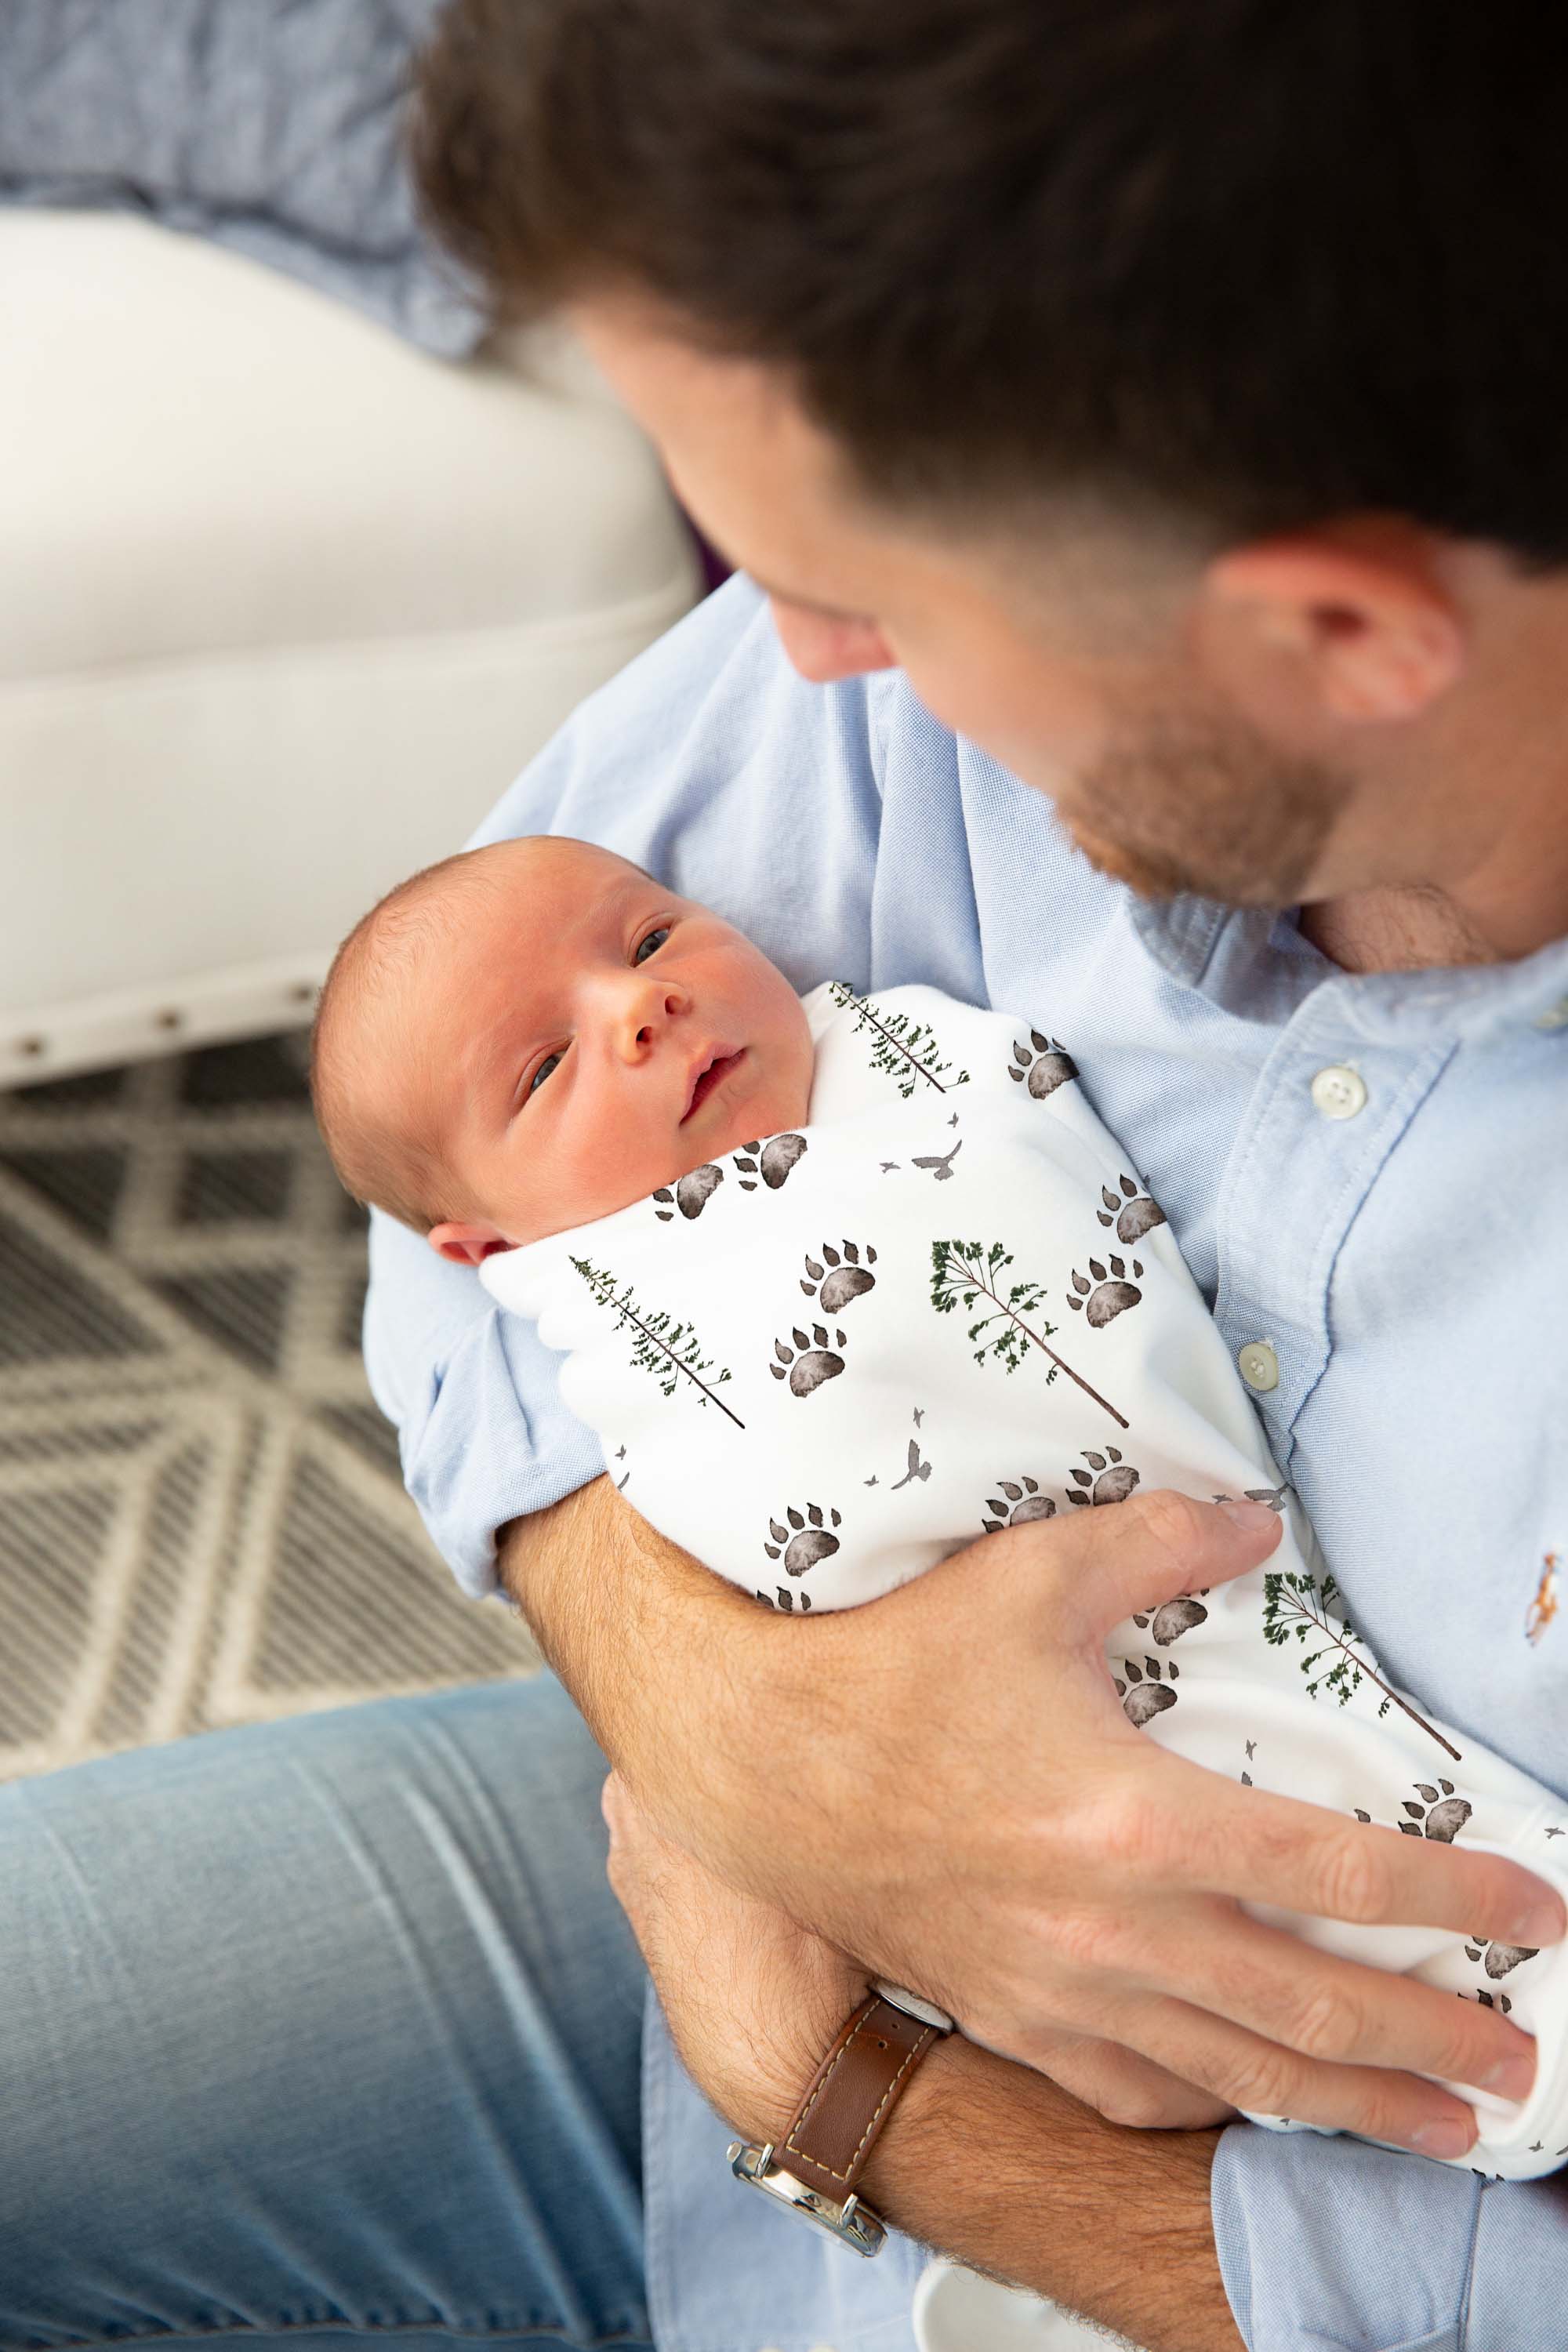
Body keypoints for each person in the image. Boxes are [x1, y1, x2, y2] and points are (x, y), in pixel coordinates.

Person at [2, 6, 1565, 2350]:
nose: (799, 652)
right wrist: (744, 1721)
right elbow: (458, 1169)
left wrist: (856, 2093)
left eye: (866, 589)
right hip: (661, 1912)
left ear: (1334, 635)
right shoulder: (957, 581)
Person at [310, 828, 1568, 2190]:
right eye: (545, 1067)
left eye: (652, 938)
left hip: (1194, 1636)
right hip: (755, 1872)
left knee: (1337, 1852)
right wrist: (744, 1748)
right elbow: (428, 1241)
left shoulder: (901, 1062)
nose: (638, 1004)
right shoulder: (598, 1294)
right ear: (491, 1252)